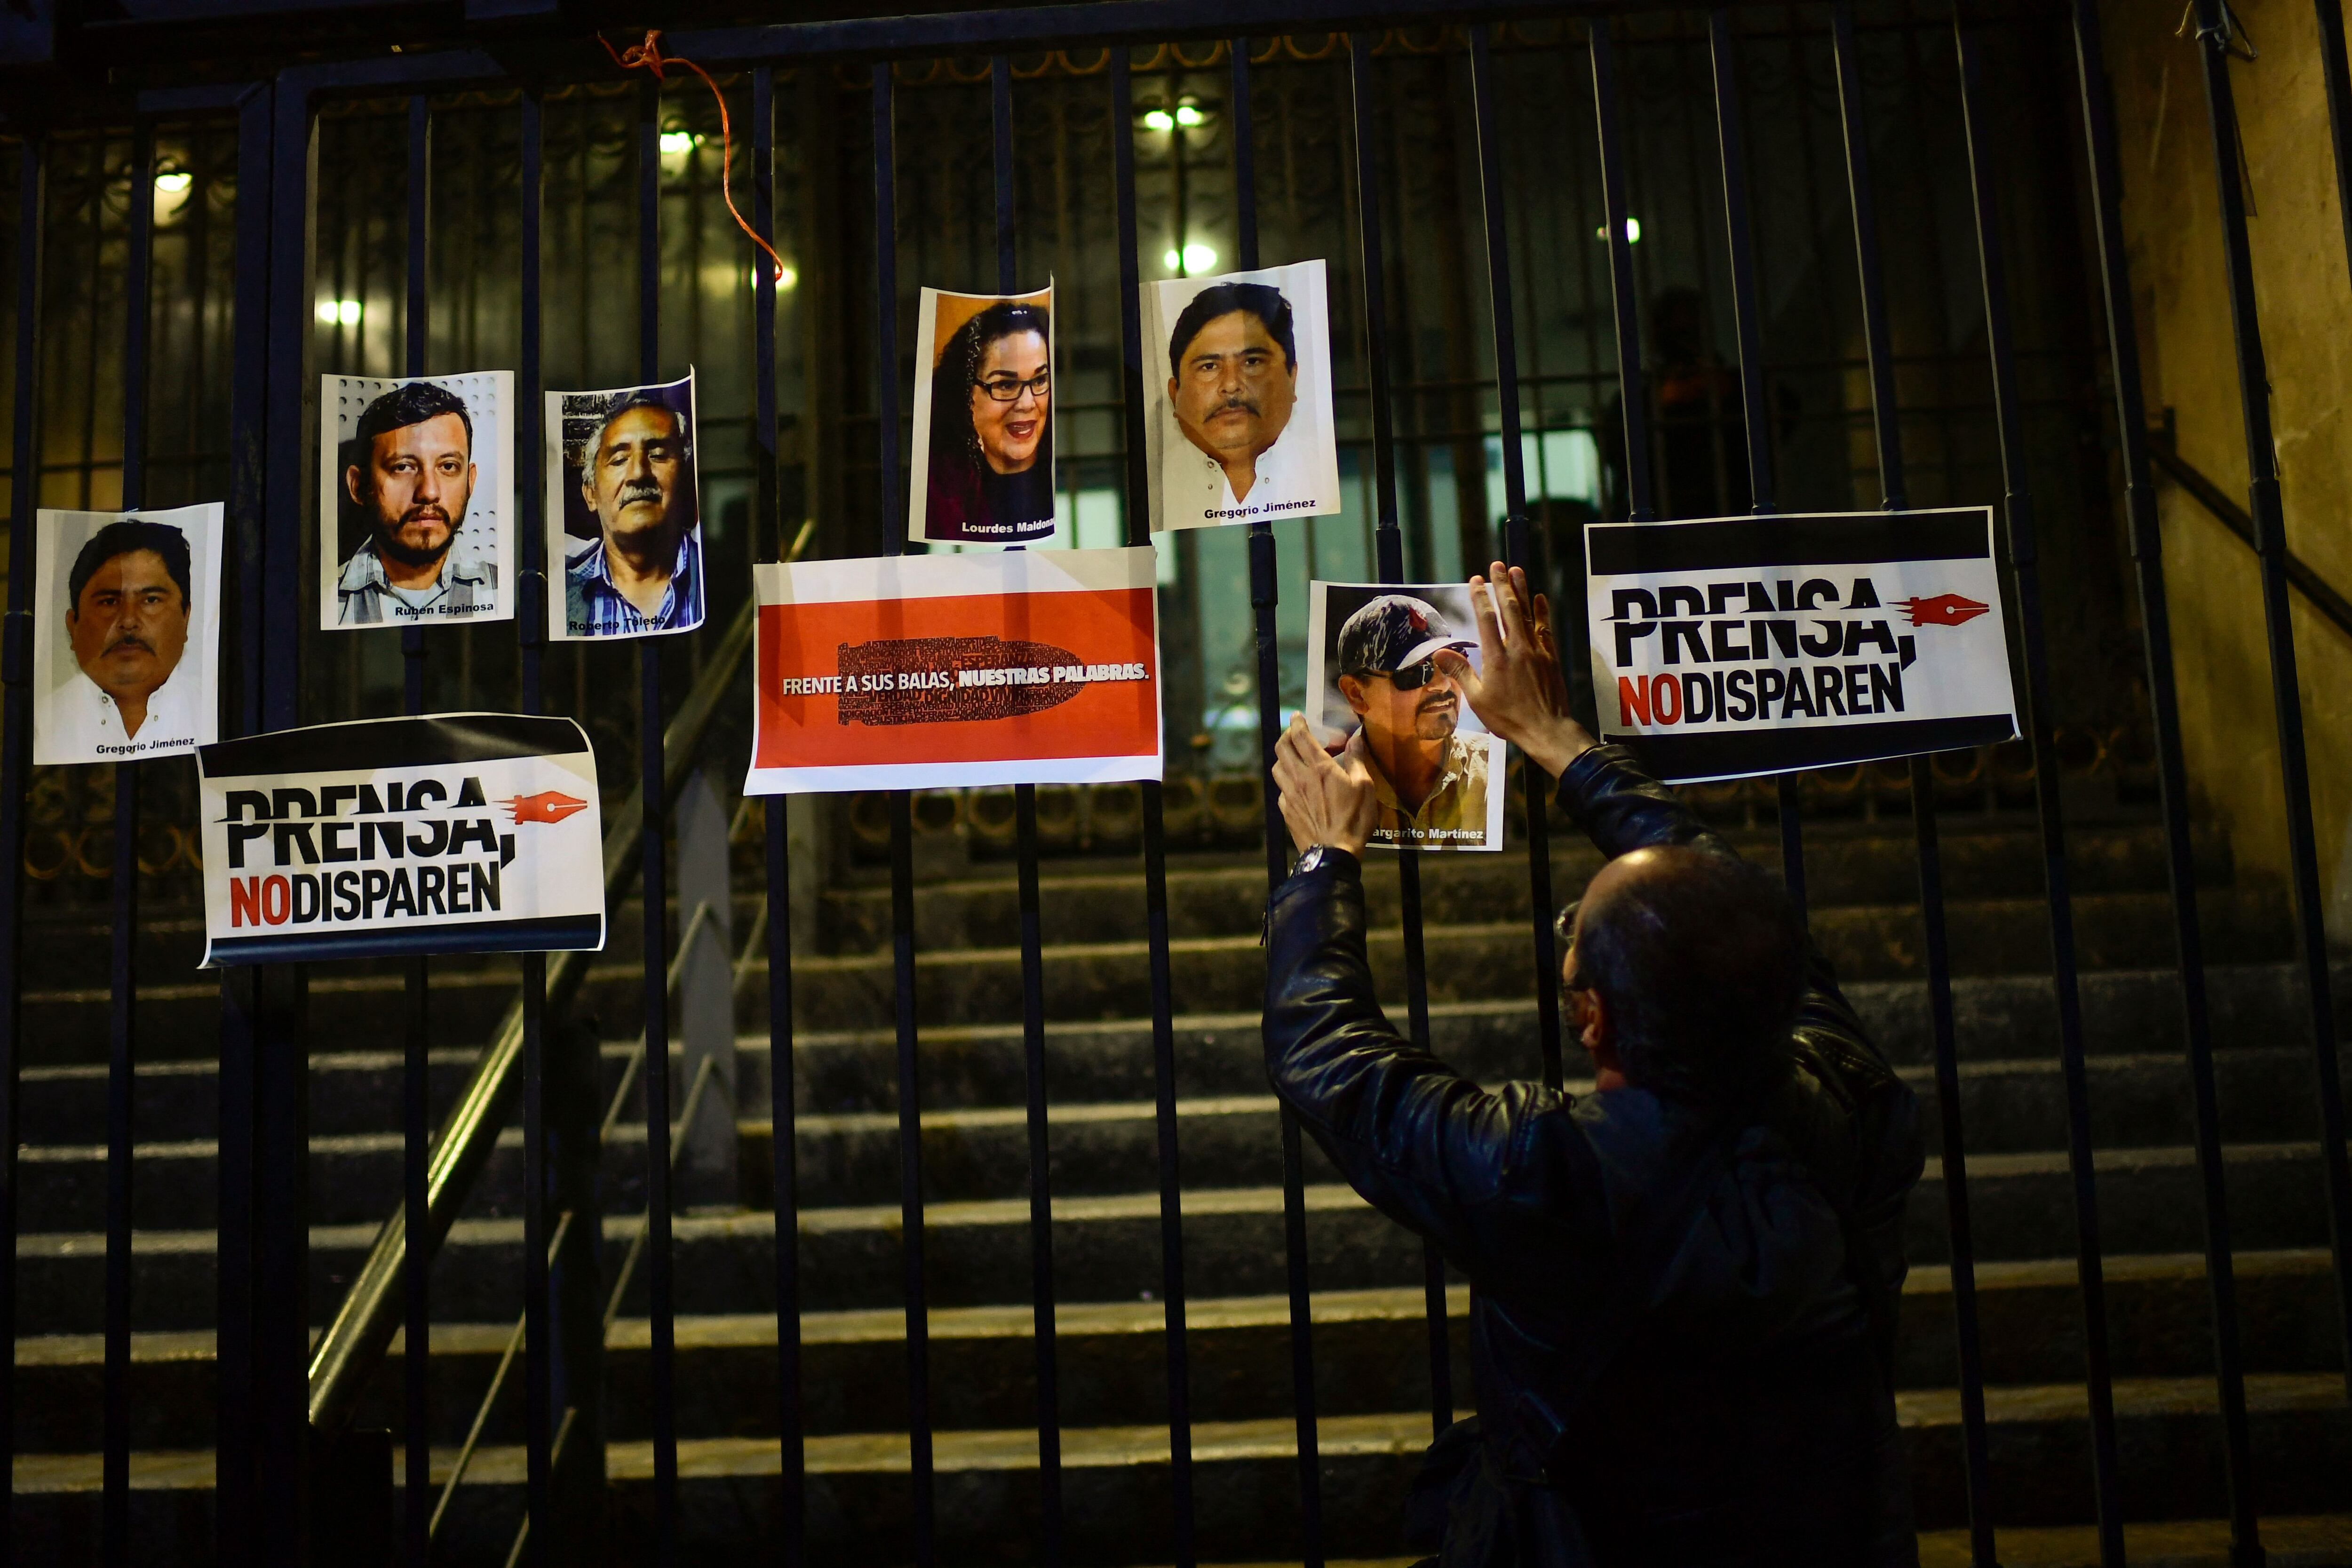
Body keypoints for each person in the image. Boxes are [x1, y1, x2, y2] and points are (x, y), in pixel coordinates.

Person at [1268, 562, 1923, 1567]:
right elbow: (1728, 902)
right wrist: (1557, 741)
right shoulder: (1853, 1101)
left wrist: (1324, 863)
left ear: (1589, 1018)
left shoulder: (1540, 1171)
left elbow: (1332, 1059)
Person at [1332, 593, 1490, 847]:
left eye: (1450, 663)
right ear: (1356, 693)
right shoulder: (1327, 793)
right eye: (1415, 672)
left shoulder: (1496, 770)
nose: (1443, 684)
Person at [335, 380, 495, 625]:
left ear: (470, 482)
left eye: (448, 466)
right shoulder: (324, 602)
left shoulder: (506, 592)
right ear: (358, 486)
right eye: (403, 467)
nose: (429, 492)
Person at [53, 517, 198, 755]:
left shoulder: (216, 716)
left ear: (186, 617)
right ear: (73, 625)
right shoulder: (40, 725)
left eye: (151, 600)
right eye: (109, 602)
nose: (129, 621)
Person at [564, 391, 703, 637]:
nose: (639, 473)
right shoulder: (558, 594)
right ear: (590, 494)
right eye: (619, 460)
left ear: (684, 479)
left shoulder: (719, 577)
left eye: (658, 456)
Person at [1165, 279, 1307, 517]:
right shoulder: (1157, 496)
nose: (1231, 385)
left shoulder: (1320, 474)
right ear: (1174, 393)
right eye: (1209, 367)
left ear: (1292, 378)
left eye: (1252, 362)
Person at [924, 300, 1053, 540]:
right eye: (1005, 385)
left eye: (1040, 381)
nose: (1027, 404)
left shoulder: (1067, 478)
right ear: (967, 396)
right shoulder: (939, 495)